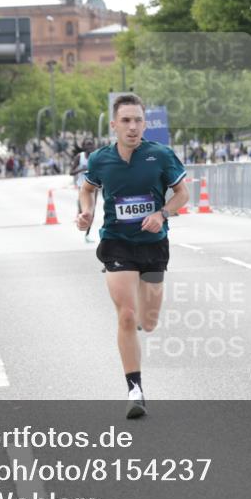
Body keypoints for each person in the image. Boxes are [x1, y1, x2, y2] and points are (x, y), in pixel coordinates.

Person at [76, 93, 189, 419]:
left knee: (148, 321)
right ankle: (135, 389)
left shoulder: (161, 156)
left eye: (138, 120)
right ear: (114, 125)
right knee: (126, 314)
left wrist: (162, 214)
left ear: (144, 123)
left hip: (153, 243)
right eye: (126, 120)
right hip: (116, 242)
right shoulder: (100, 160)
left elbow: (182, 193)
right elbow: (87, 188)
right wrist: (86, 213)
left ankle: (144, 321)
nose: (133, 126)